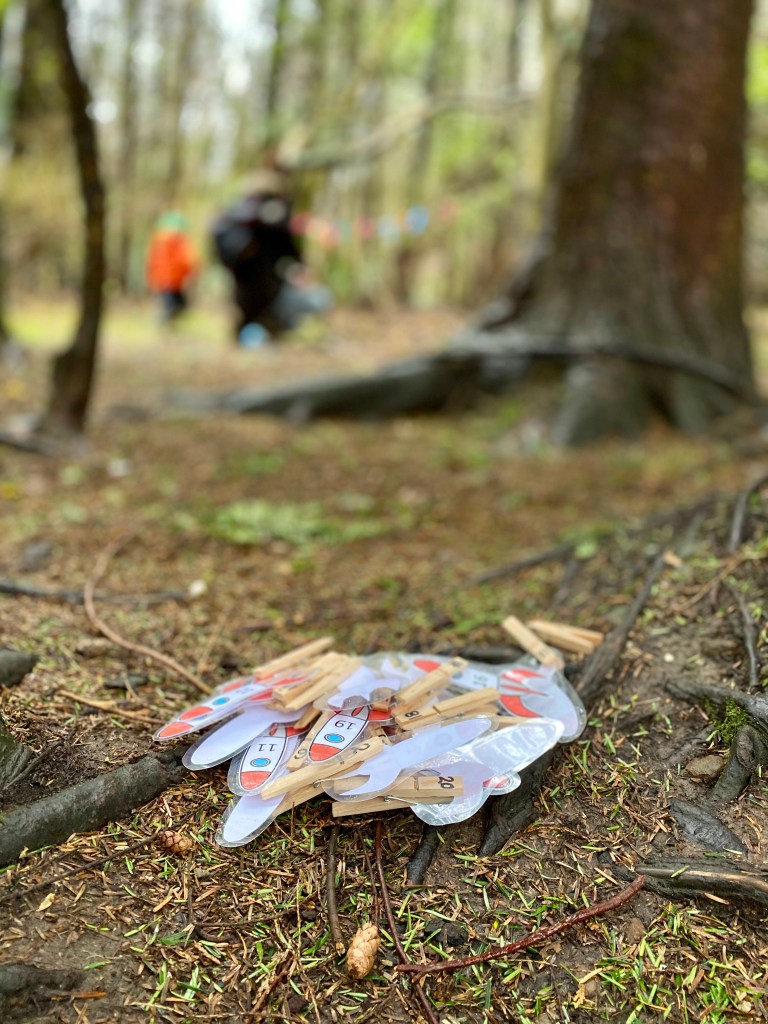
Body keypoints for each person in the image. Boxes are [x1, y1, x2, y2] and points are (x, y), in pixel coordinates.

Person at [211, 171, 331, 347]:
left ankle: (267, 330)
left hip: (266, 289)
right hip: (250, 288)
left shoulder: (274, 220)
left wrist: (298, 267)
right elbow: (226, 252)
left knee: (317, 298)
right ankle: (255, 332)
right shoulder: (237, 220)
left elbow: (289, 249)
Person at [146, 211, 200, 323]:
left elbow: (152, 261)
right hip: (171, 279)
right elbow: (188, 259)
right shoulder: (177, 241)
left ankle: (168, 323)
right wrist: (192, 272)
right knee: (172, 305)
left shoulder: (159, 240)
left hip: (168, 279)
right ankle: (164, 323)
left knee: (175, 304)